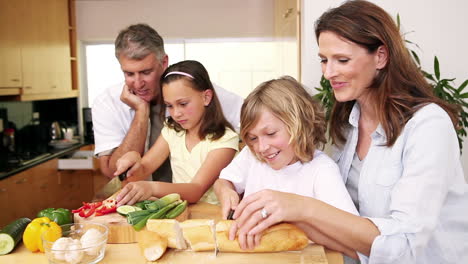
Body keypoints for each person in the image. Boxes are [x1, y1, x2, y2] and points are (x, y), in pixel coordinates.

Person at [228, 1, 468, 263]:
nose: (328, 73)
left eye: (342, 59)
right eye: (324, 60)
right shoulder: (347, 123)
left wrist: (301, 207)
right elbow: (350, 233)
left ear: (381, 56)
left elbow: (405, 248)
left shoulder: (428, 125)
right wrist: (292, 216)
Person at [213, 76, 358, 248]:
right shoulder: (252, 156)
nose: (262, 147)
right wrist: (226, 191)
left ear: (300, 125)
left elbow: (352, 234)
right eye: (252, 138)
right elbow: (223, 181)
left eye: (271, 133)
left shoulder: (322, 170)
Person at [92, 24, 243, 182]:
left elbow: (255, 122)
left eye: (146, 72)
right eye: (129, 74)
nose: (137, 84)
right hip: (145, 200)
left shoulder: (197, 91)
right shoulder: (106, 103)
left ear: (163, 62)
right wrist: (141, 112)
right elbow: (113, 172)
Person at [114, 60, 239, 206]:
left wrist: (152, 187)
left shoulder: (225, 140)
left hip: (215, 218)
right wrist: (133, 160)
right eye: (169, 106)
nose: (176, 113)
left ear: (206, 97)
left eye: (183, 104)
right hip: (182, 215)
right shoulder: (172, 130)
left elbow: (196, 190)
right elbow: (143, 170)